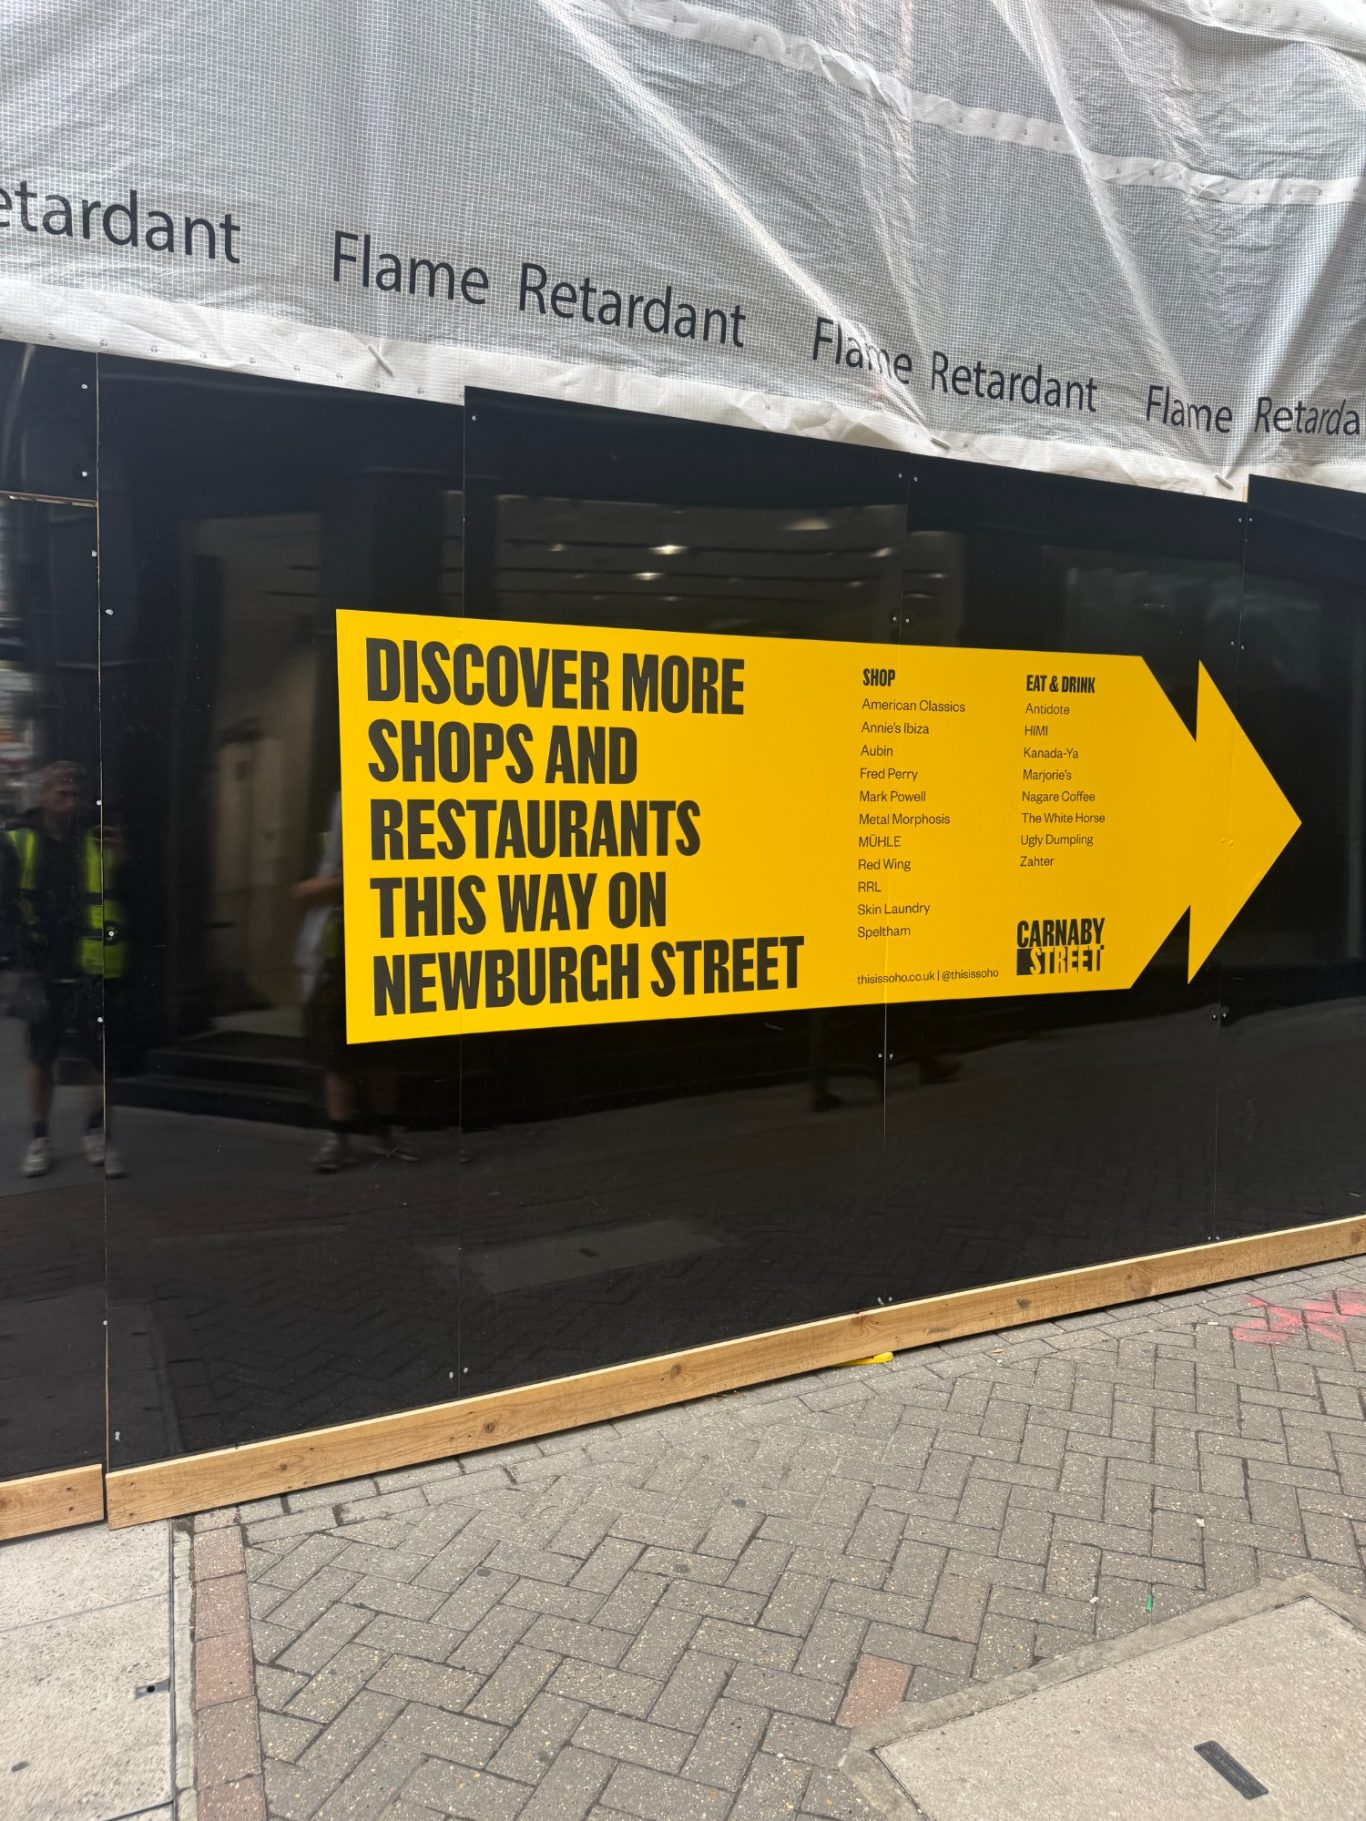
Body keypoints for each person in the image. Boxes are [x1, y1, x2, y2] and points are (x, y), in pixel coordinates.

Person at [1, 760, 125, 1178]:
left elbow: (116, 890)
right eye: (61, 794)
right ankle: (39, 1138)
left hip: (89, 965)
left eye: (76, 795)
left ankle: (97, 1133)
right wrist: (17, 958)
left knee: (99, 1057)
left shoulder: (93, 837)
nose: (70, 802)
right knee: (41, 1057)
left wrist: (118, 857)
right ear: (42, 795)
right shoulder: (16, 839)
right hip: (41, 968)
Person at [295, 794, 416, 1172]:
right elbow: (306, 889)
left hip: (380, 945)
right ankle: (342, 1137)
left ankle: (382, 1133)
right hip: (337, 953)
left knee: (383, 1050)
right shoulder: (332, 827)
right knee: (338, 1050)